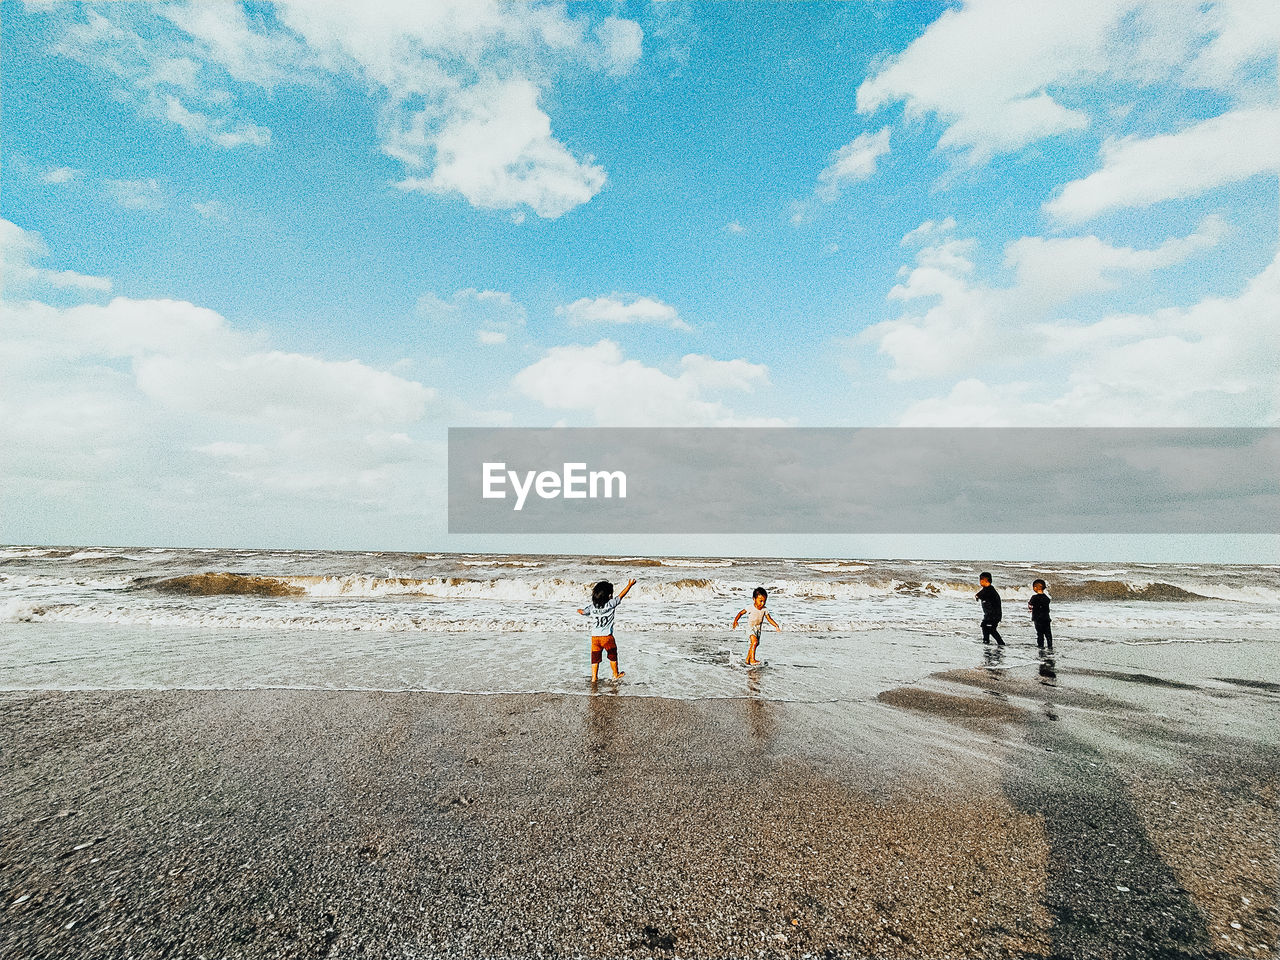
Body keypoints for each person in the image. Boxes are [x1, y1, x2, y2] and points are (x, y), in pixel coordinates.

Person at [577, 578, 635, 683]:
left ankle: (594, 677)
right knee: (612, 655)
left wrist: (580, 611)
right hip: (607, 637)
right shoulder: (611, 604)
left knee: (595, 657)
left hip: (595, 637)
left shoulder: (592, 607)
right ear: (609, 595)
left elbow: (583, 612)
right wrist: (629, 585)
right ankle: (615, 674)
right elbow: (622, 595)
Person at [732, 586, 780, 665]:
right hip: (750, 628)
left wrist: (776, 625)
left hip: (758, 630)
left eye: (764, 601)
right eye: (760, 601)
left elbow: (769, 619)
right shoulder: (750, 608)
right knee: (754, 642)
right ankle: (753, 660)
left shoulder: (765, 609)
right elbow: (741, 613)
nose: (762, 603)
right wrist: (735, 621)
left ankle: (748, 659)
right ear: (754, 599)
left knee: (754, 644)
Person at [975, 572, 1004, 646]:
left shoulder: (990, 590)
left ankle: (1001, 643)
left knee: (991, 629)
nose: (980, 581)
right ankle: (986, 641)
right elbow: (980, 594)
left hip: (993, 615)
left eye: (981, 580)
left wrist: (978, 596)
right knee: (984, 626)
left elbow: (983, 595)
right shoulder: (986, 589)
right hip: (988, 614)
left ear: (984, 580)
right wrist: (977, 596)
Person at [1028, 578, 1053, 649]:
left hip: (1037, 619)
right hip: (1046, 618)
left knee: (1040, 634)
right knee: (1048, 634)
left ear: (1035, 588)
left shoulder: (1034, 597)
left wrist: (1030, 608)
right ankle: (1050, 646)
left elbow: (1030, 604)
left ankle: (1041, 646)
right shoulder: (1047, 598)